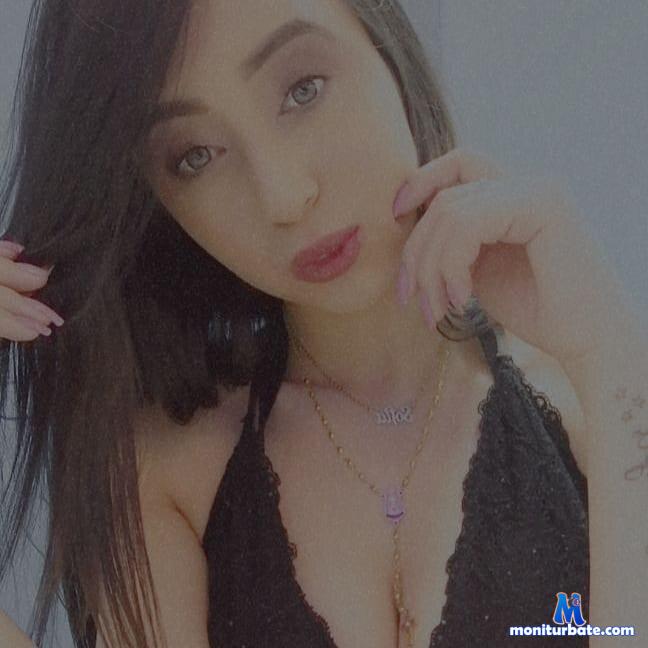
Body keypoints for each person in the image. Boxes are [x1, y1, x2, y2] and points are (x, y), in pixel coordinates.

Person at [0, 1, 646, 647]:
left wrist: (607, 346)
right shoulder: (171, 471)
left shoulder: (598, 408)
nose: (285, 195)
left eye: (303, 90)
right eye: (195, 156)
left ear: (384, 42)